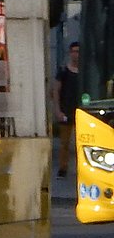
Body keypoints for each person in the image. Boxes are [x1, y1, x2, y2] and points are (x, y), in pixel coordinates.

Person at [52, 41, 80, 178]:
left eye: (78, 51)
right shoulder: (63, 71)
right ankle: (63, 168)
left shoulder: (86, 71)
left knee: (81, 142)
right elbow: (56, 90)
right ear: (70, 53)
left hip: (81, 112)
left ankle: (82, 168)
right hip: (65, 111)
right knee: (64, 143)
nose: (76, 54)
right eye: (74, 51)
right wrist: (57, 110)